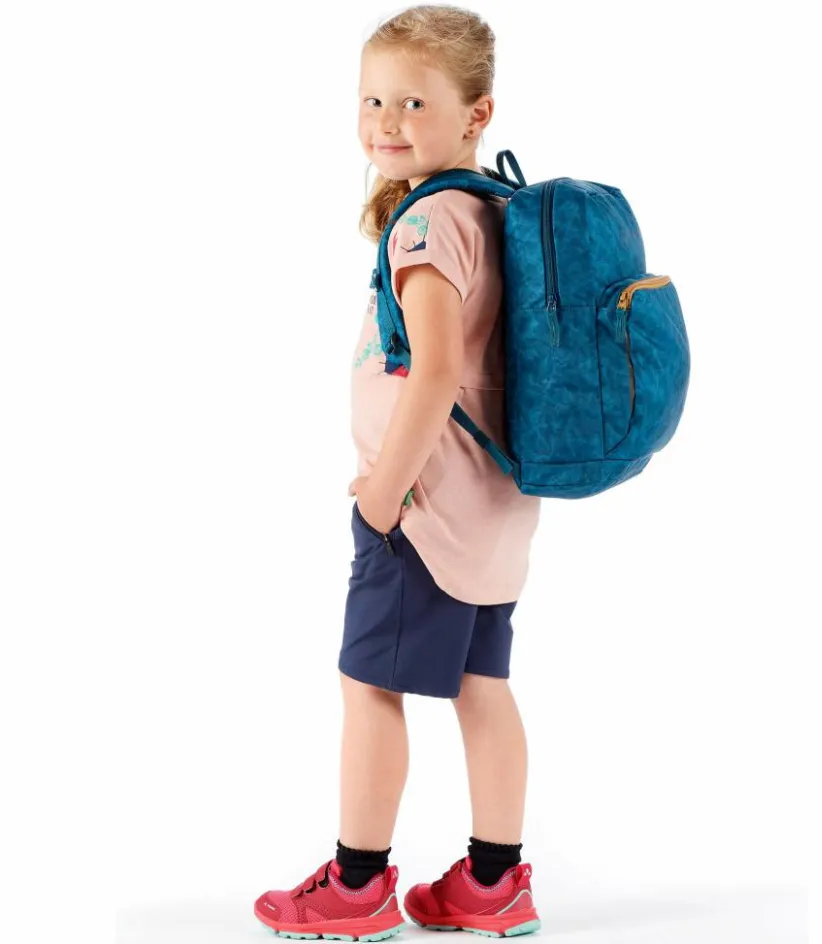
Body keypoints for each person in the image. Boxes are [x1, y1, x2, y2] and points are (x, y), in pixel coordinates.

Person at [254, 5, 542, 939]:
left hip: (422, 504)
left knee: (368, 685)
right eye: (373, 99)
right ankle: (495, 883)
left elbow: (436, 371)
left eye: (415, 102)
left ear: (477, 113)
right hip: (492, 502)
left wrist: (383, 494)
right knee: (481, 683)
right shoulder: (491, 207)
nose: (387, 120)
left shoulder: (427, 225)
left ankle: (356, 886)